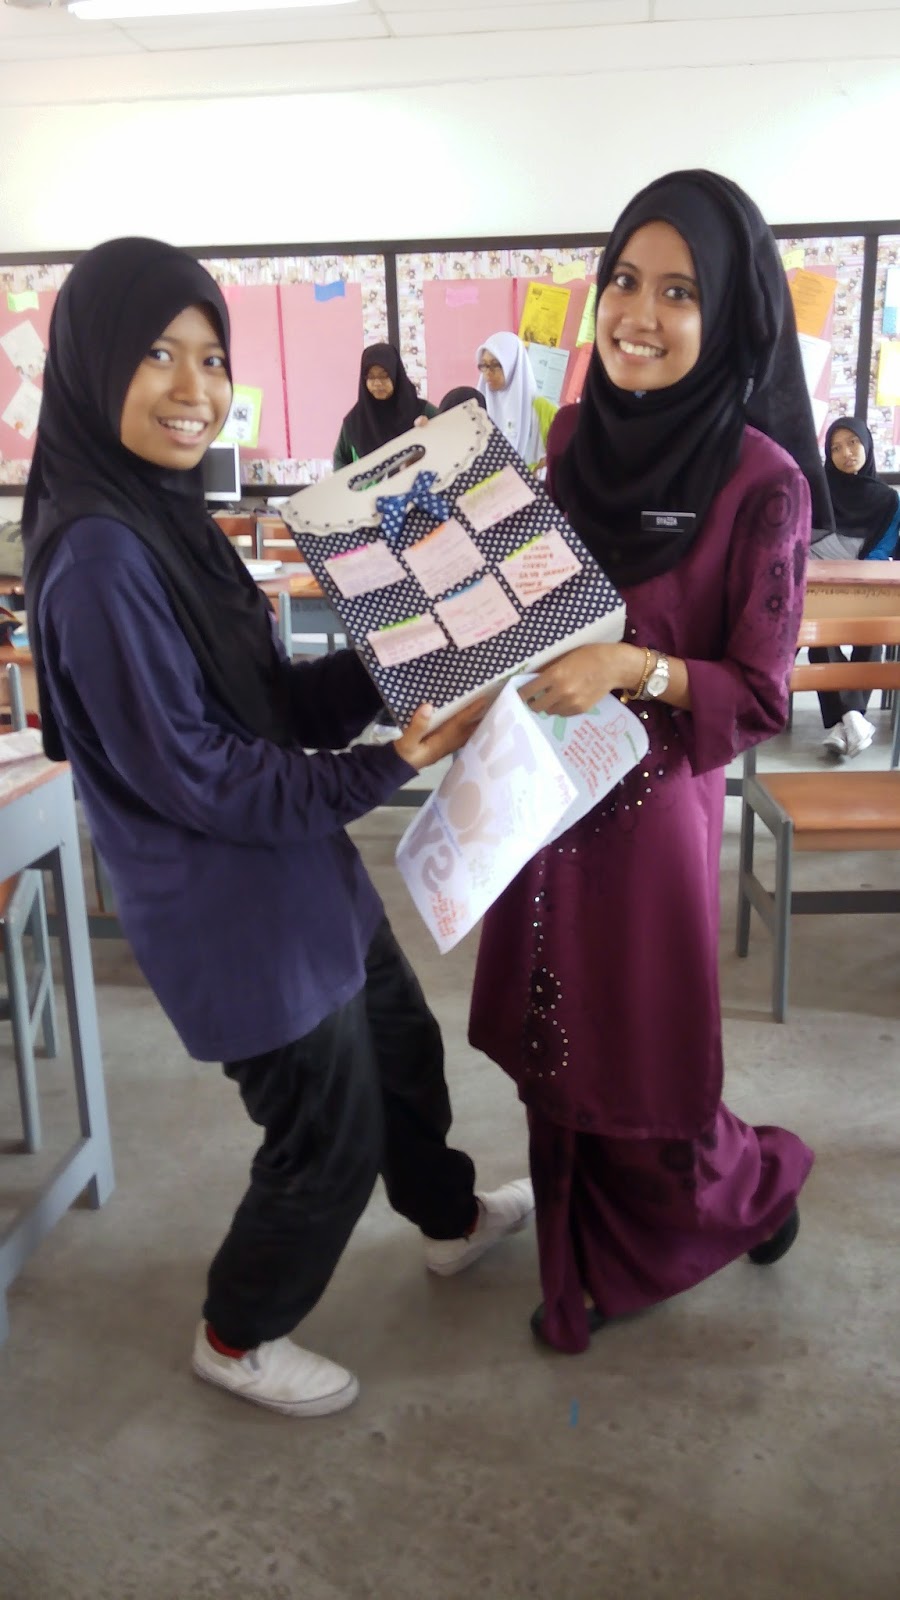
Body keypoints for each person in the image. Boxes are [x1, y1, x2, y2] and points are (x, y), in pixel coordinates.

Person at [22, 238, 534, 1417]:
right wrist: (384, 767)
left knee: (401, 1054)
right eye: (158, 354)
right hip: (230, 912)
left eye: (212, 357)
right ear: (94, 364)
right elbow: (201, 776)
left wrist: (396, 659)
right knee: (327, 1135)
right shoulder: (96, 561)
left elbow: (269, 705)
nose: (193, 388)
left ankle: (449, 1219)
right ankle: (237, 1331)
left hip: (300, 870)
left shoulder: (170, 519)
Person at [468, 170, 827, 1355]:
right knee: (557, 1047)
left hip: (651, 821)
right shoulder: (572, 438)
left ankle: (746, 1189)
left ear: (728, 314)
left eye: (680, 291)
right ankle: (577, 1265)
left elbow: (760, 694)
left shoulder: (764, 484)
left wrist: (638, 667)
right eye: (624, 280)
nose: (639, 313)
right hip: (543, 799)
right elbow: (535, 602)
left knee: (647, 1058)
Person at [808, 416, 900, 758]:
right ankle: (852, 718)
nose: (846, 453)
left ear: (867, 444)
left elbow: (881, 550)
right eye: (836, 447)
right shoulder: (817, 492)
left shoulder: (889, 500)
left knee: (872, 634)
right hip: (817, 586)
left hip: (862, 584)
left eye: (853, 443)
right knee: (819, 637)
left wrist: (853, 576)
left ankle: (844, 722)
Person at [333, 343, 437, 469]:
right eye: (370, 377)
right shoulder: (355, 422)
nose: (377, 383)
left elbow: (448, 439)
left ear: (396, 374)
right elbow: (340, 460)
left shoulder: (422, 411)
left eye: (384, 375)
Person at [475, 332, 557, 470]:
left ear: (513, 365)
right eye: (484, 365)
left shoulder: (543, 409)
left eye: (495, 365)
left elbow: (566, 455)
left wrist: (539, 467)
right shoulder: (478, 407)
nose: (488, 372)